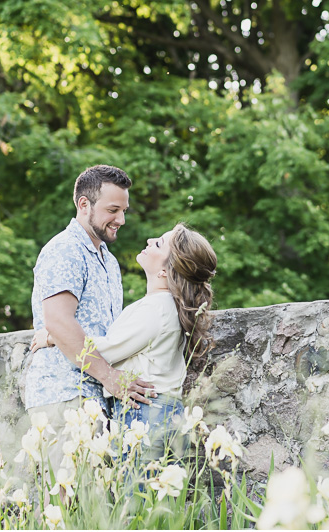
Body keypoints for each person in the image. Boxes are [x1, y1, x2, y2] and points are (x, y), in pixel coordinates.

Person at [31, 223, 217, 462]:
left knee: (134, 494)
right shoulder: (164, 306)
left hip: (147, 413)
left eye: (159, 243)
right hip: (162, 410)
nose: (150, 240)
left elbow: (106, 350)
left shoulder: (156, 308)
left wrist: (52, 336)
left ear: (164, 272)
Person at [23, 165, 154, 464]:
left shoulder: (108, 261)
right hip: (65, 395)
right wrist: (109, 376)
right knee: (66, 503)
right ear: (84, 204)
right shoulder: (65, 250)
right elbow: (58, 321)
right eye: (112, 210)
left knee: (94, 506)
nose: (120, 219)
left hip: (96, 399)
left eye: (124, 210)